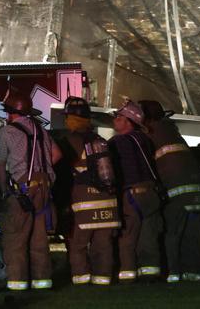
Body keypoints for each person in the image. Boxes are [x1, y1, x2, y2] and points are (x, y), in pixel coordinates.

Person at [0, 86, 62, 292]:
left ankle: (18, 284)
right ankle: (42, 282)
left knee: (16, 238)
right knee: (39, 237)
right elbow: (57, 154)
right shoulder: (40, 130)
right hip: (44, 188)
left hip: (21, 191)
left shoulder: (6, 132)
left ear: (11, 112)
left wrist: (5, 189)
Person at [140, 99, 200, 283]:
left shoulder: (151, 134)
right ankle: (194, 272)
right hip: (196, 193)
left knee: (172, 233)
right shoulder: (171, 131)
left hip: (176, 193)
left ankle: (173, 272)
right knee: (191, 234)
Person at [61, 96, 120, 286]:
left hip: (84, 201)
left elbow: (62, 172)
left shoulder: (68, 141)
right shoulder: (100, 140)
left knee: (78, 244)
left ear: (70, 119)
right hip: (108, 200)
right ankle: (103, 279)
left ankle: (81, 278)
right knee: (103, 244)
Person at [108, 99, 164, 282]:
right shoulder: (145, 140)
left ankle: (128, 274)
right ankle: (150, 273)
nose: (115, 119)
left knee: (128, 237)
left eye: (118, 117)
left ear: (128, 121)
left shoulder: (117, 142)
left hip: (131, 196)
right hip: (151, 193)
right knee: (148, 236)